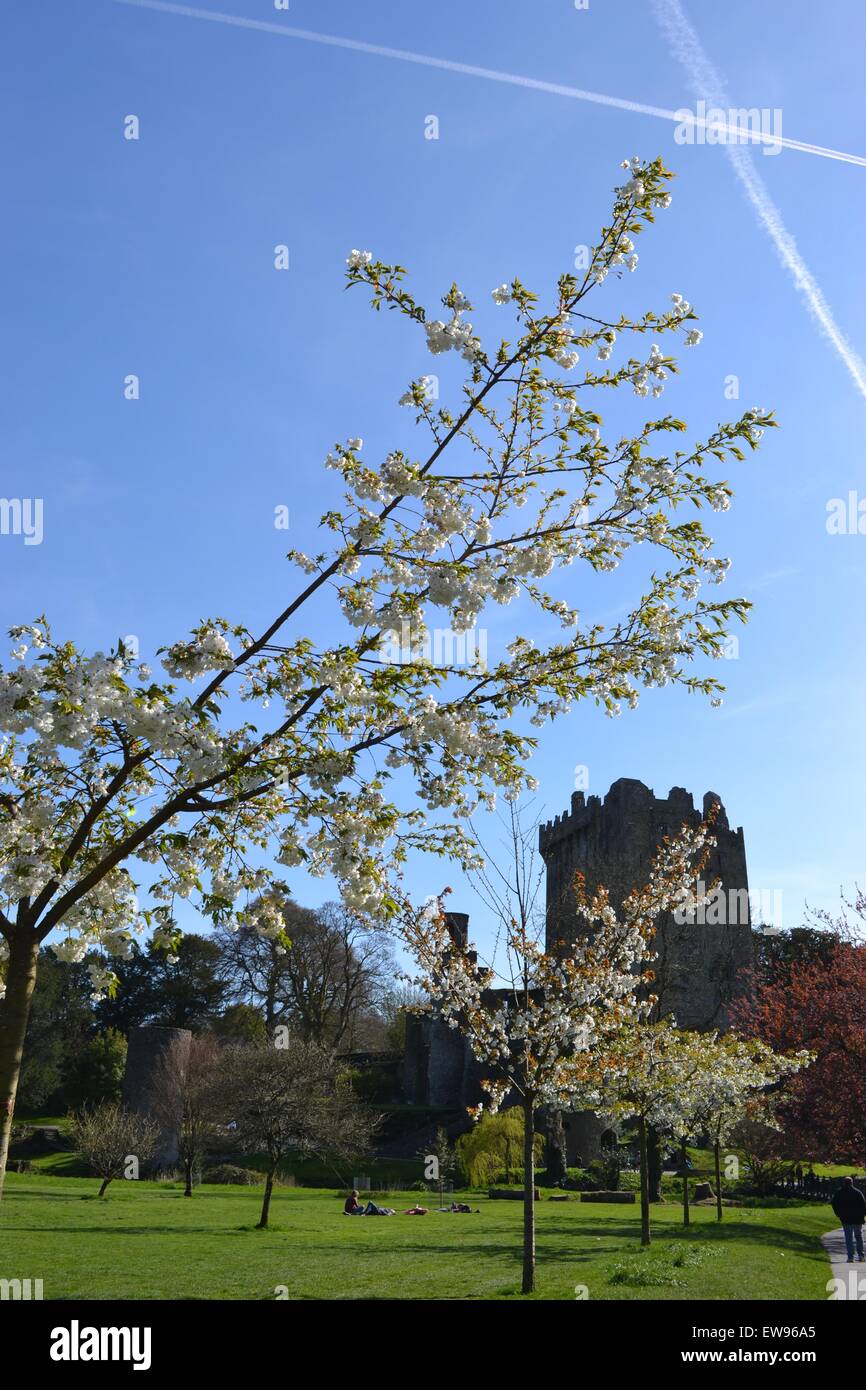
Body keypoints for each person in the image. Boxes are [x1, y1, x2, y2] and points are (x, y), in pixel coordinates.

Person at [831, 1176, 866, 1262]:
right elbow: (864, 1205)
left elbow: (834, 1204)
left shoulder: (839, 1193)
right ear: (852, 1183)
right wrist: (863, 1215)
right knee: (859, 1237)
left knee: (848, 1238)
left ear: (844, 1183)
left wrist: (838, 1214)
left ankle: (850, 1257)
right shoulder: (858, 1192)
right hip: (858, 1219)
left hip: (846, 1218)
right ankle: (861, 1256)